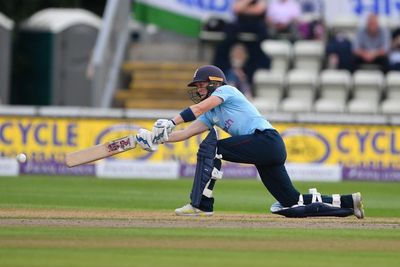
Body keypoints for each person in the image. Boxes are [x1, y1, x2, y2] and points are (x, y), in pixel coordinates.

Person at [135, 65, 365, 219]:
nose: (199, 89)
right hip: (266, 150)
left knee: (213, 147)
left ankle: (200, 205)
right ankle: (347, 202)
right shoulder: (211, 114)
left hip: (267, 141)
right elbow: (184, 134)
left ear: (215, 83)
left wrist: (171, 121)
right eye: (197, 86)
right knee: (290, 203)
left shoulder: (227, 90)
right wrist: (156, 137)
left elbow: (197, 109)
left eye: (202, 84)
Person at [212, 0, 270, 84]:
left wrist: (244, 9)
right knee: (228, 32)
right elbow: (236, 9)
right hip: (241, 23)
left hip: (256, 24)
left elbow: (259, 10)